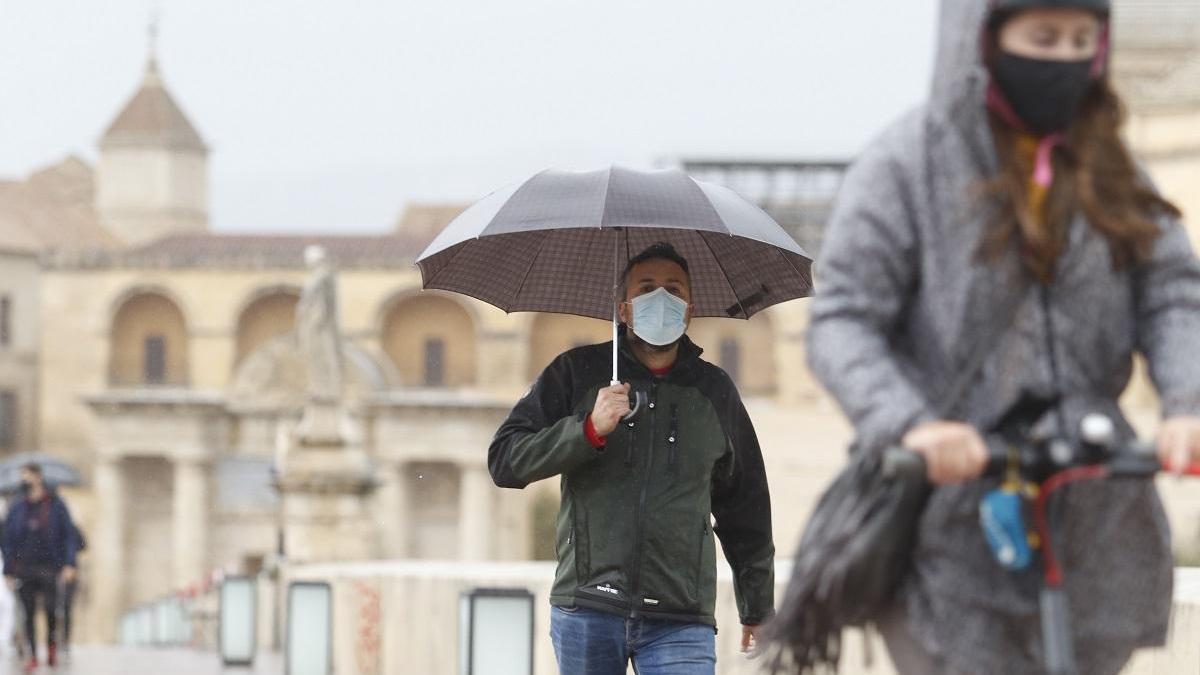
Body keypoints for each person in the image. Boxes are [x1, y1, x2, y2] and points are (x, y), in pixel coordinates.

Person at [806, 1, 1200, 673]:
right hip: (946, 521)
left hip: (1096, 520)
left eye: (1082, 40)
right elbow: (843, 318)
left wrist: (1187, 400)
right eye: (1043, 37)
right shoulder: (909, 164)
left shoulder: (1111, 167)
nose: (1065, 58)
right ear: (985, 41)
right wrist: (910, 424)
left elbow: (1170, 294)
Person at [490, 243, 775, 674]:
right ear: (624, 308)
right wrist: (586, 430)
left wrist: (757, 605)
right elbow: (506, 461)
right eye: (646, 288)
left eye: (673, 290)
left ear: (689, 309)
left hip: (680, 617)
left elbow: (745, 505)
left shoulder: (714, 392)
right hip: (587, 607)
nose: (661, 298)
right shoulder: (576, 373)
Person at [2, 464, 79, 670]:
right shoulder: (17, 506)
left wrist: (69, 564)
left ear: (39, 477)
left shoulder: (55, 505)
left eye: (28, 476)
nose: (25, 480)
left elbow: (69, 536)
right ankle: (33, 655)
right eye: (23, 476)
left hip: (50, 565)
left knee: (51, 609)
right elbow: (8, 540)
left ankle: (52, 644)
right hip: (24, 566)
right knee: (27, 613)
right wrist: (8, 570)